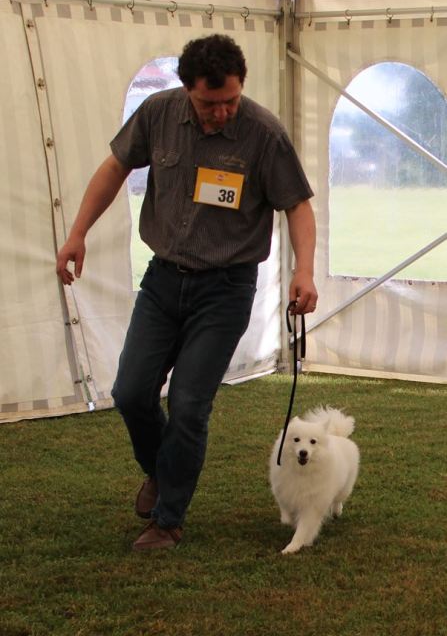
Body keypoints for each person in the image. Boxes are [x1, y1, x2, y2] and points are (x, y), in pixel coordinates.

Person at [56, 34, 318, 551]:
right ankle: (162, 470)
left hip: (225, 289)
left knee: (189, 404)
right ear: (186, 89)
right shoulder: (157, 113)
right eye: (208, 103)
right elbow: (115, 167)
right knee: (131, 392)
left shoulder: (264, 133)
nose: (221, 113)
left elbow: (298, 205)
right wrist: (77, 233)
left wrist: (305, 270)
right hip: (163, 280)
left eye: (230, 101)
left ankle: (167, 520)